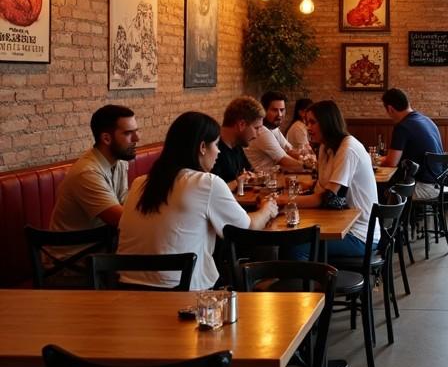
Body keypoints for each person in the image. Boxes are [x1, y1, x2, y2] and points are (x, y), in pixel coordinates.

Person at [117, 111, 278, 290]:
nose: (218, 151)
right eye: (216, 145)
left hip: (127, 287)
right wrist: (267, 208)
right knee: (261, 257)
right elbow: (247, 228)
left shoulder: (139, 182)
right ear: (202, 147)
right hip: (181, 291)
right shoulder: (206, 182)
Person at [291, 101, 379, 258]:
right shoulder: (325, 146)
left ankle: (313, 281)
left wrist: (284, 201)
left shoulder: (348, 148)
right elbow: (321, 188)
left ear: (327, 123)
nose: (308, 128)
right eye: (307, 123)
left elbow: (327, 197)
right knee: (292, 238)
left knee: (296, 246)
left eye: (312, 122)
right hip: (340, 223)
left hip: (360, 235)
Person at [50, 104, 140, 234]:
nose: (137, 138)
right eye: (128, 133)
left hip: (105, 243)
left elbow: (124, 204)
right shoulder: (87, 173)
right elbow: (122, 220)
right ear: (106, 138)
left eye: (136, 131)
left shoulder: (119, 162)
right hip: (77, 251)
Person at [379, 88, 444, 200]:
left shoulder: (403, 127)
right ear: (407, 103)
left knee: (377, 188)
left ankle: (382, 217)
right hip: (437, 183)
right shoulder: (426, 120)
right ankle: (404, 217)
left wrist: (375, 160)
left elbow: (391, 162)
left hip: (421, 186)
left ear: (390, 109)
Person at [244, 91, 306, 174]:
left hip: (274, 178)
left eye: (282, 110)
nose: (280, 114)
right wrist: (310, 166)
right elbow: (284, 160)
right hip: (262, 182)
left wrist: (305, 157)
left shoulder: (273, 128)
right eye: (274, 110)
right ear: (264, 110)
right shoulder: (261, 131)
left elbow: (289, 150)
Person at [210, 96, 264, 191]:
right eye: (256, 128)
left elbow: (251, 172)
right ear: (241, 125)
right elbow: (212, 191)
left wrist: (252, 176)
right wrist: (238, 182)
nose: (258, 134)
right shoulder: (212, 150)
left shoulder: (237, 144)